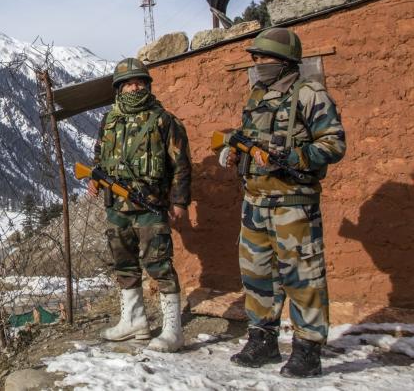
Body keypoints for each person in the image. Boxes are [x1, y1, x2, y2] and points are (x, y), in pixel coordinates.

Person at [220, 28, 346, 378]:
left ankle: (308, 349)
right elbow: (250, 137)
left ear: (284, 60)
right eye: (255, 58)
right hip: (255, 202)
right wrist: (235, 151)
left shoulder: (310, 94)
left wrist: (291, 157)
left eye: (263, 58)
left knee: (303, 275)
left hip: (293, 203)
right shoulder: (257, 95)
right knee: (258, 275)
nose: (257, 64)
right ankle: (263, 339)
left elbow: (334, 145)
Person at [90, 57, 191, 352]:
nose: (134, 87)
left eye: (139, 82)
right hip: (116, 208)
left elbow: (181, 164)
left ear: (147, 85)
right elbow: (100, 156)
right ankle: (134, 321)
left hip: (151, 207)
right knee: (123, 264)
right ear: (118, 89)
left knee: (159, 264)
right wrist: (95, 179)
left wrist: (180, 200)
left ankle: (173, 330)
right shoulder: (109, 120)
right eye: (128, 83)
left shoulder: (164, 120)